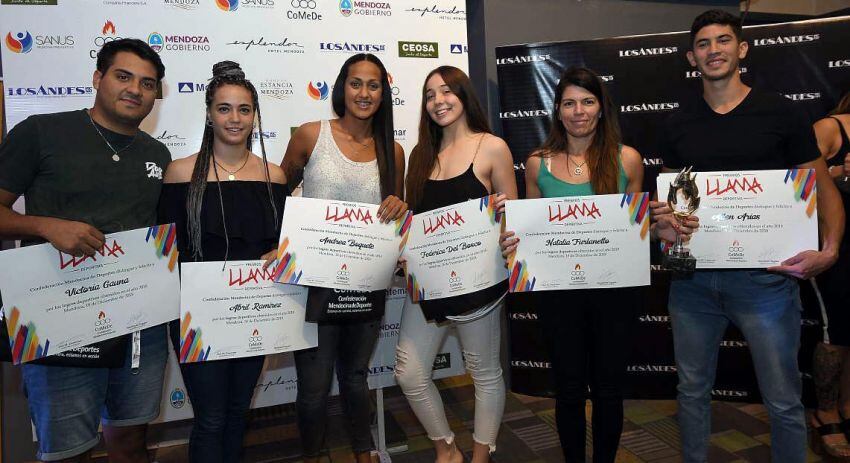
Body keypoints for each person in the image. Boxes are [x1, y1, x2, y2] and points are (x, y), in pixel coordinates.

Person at [650, 10, 844, 463]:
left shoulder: (781, 112)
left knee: (782, 399)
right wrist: (663, 227)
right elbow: (671, 208)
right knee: (692, 392)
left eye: (723, 40)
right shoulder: (676, 123)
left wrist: (830, 250)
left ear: (742, 49)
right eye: (703, 43)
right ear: (690, 56)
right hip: (692, 280)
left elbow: (822, 188)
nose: (713, 50)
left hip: (766, 282)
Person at [0, 39, 170, 462]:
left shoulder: (157, 153)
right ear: (98, 78)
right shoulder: (42, 132)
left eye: (147, 84)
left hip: (138, 321)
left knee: (131, 438)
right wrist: (44, 225)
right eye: (123, 76)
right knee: (67, 448)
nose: (135, 89)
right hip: (60, 314)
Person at [499, 66, 645, 463]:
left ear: (601, 108)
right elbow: (528, 231)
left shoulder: (627, 159)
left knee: (609, 389)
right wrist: (511, 237)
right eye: (569, 103)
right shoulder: (537, 164)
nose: (578, 110)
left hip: (615, 293)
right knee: (567, 389)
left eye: (587, 101)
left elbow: (635, 231)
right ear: (558, 111)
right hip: (557, 294)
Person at [281, 53, 407, 463]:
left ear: (383, 93)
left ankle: (363, 448)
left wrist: (399, 205)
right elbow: (278, 198)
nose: (364, 93)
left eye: (373, 85)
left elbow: (397, 212)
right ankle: (312, 453)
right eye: (356, 83)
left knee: (355, 377)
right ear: (342, 87)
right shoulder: (309, 134)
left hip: (366, 283)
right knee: (313, 386)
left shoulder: (395, 150)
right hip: (314, 285)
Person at [157, 61, 286, 463]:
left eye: (244, 109)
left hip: (253, 312)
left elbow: (285, 245)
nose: (235, 118)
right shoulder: (179, 173)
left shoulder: (274, 176)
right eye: (224, 108)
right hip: (197, 317)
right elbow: (164, 254)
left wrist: (280, 256)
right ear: (209, 113)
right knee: (211, 418)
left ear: (255, 115)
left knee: (236, 413)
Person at [395, 65, 517, 463]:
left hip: (479, 282)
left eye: (446, 91)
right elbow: (413, 222)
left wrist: (504, 213)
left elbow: (513, 219)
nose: (437, 101)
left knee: (483, 373)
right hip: (428, 285)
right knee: (409, 373)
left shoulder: (492, 146)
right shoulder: (419, 155)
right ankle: (446, 448)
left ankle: (481, 455)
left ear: (464, 96)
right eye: (429, 95)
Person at [809, 91, 850, 457]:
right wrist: (839, 172)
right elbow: (797, 183)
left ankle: (847, 406)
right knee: (834, 330)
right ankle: (825, 413)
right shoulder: (830, 127)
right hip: (838, 247)